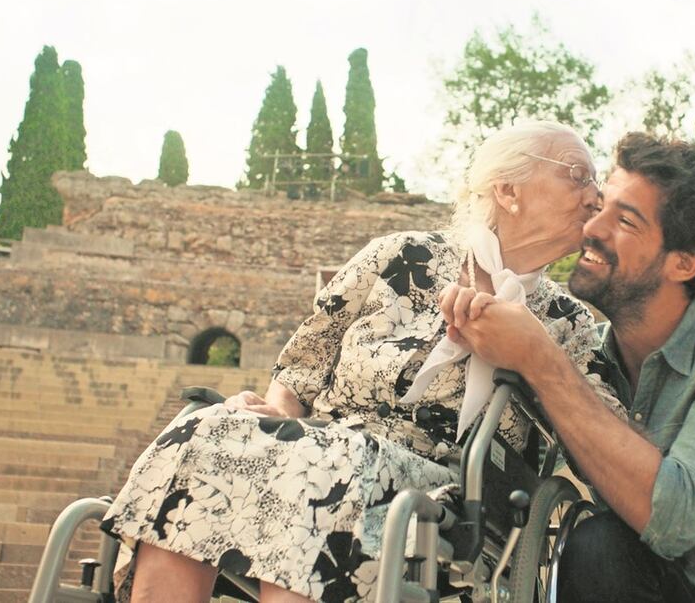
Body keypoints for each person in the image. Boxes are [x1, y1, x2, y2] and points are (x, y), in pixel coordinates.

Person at [99, 121, 624, 603]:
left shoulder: (567, 322)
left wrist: (536, 352)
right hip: (322, 447)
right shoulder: (400, 257)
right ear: (508, 190)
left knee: (329, 463)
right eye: (578, 177)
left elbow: (601, 437)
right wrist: (277, 409)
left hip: (446, 496)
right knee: (207, 428)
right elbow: (303, 365)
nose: (595, 196)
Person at [441, 132, 695, 602]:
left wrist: (540, 359)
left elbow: (674, 518)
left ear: (683, 262)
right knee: (595, 545)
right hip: (654, 586)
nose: (592, 227)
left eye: (626, 220)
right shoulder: (590, 357)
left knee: (598, 546)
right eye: (600, 206)